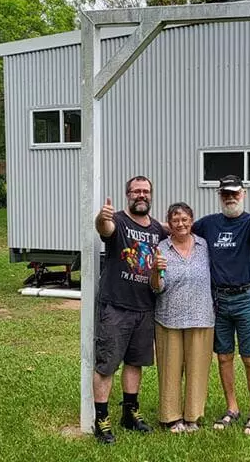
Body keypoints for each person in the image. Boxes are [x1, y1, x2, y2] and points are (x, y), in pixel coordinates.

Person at [192, 175, 250, 435]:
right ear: (219, 195)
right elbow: (180, 229)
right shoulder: (208, 224)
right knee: (224, 357)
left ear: (243, 193)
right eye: (225, 193)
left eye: (234, 193)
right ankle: (232, 407)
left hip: (247, 298)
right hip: (218, 300)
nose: (230, 197)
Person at [93, 175, 168, 445]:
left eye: (145, 191)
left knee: (135, 363)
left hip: (145, 307)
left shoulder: (158, 229)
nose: (141, 195)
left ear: (151, 195)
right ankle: (101, 420)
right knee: (107, 364)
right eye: (136, 191)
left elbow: (180, 230)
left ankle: (129, 413)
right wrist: (102, 217)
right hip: (116, 306)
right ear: (128, 195)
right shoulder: (119, 222)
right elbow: (104, 228)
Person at [151, 202, 215, 433]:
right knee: (169, 370)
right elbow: (157, 288)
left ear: (192, 221)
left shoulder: (204, 246)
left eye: (185, 219)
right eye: (175, 220)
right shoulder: (162, 248)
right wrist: (155, 272)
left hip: (201, 317)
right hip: (169, 319)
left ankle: (192, 416)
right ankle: (171, 417)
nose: (181, 224)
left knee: (198, 370)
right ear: (169, 223)